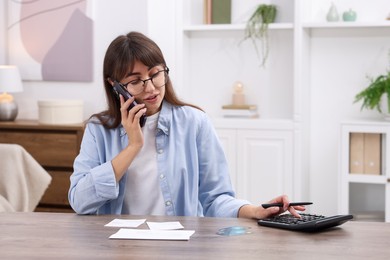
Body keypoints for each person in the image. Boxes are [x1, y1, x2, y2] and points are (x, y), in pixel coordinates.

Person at [68, 31, 305, 219]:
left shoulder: (195, 123)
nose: (150, 88)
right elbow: (79, 201)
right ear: (115, 85)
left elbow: (215, 199)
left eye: (155, 74)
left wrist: (255, 210)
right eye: (135, 81)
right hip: (116, 248)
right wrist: (133, 146)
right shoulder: (99, 130)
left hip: (180, 247)